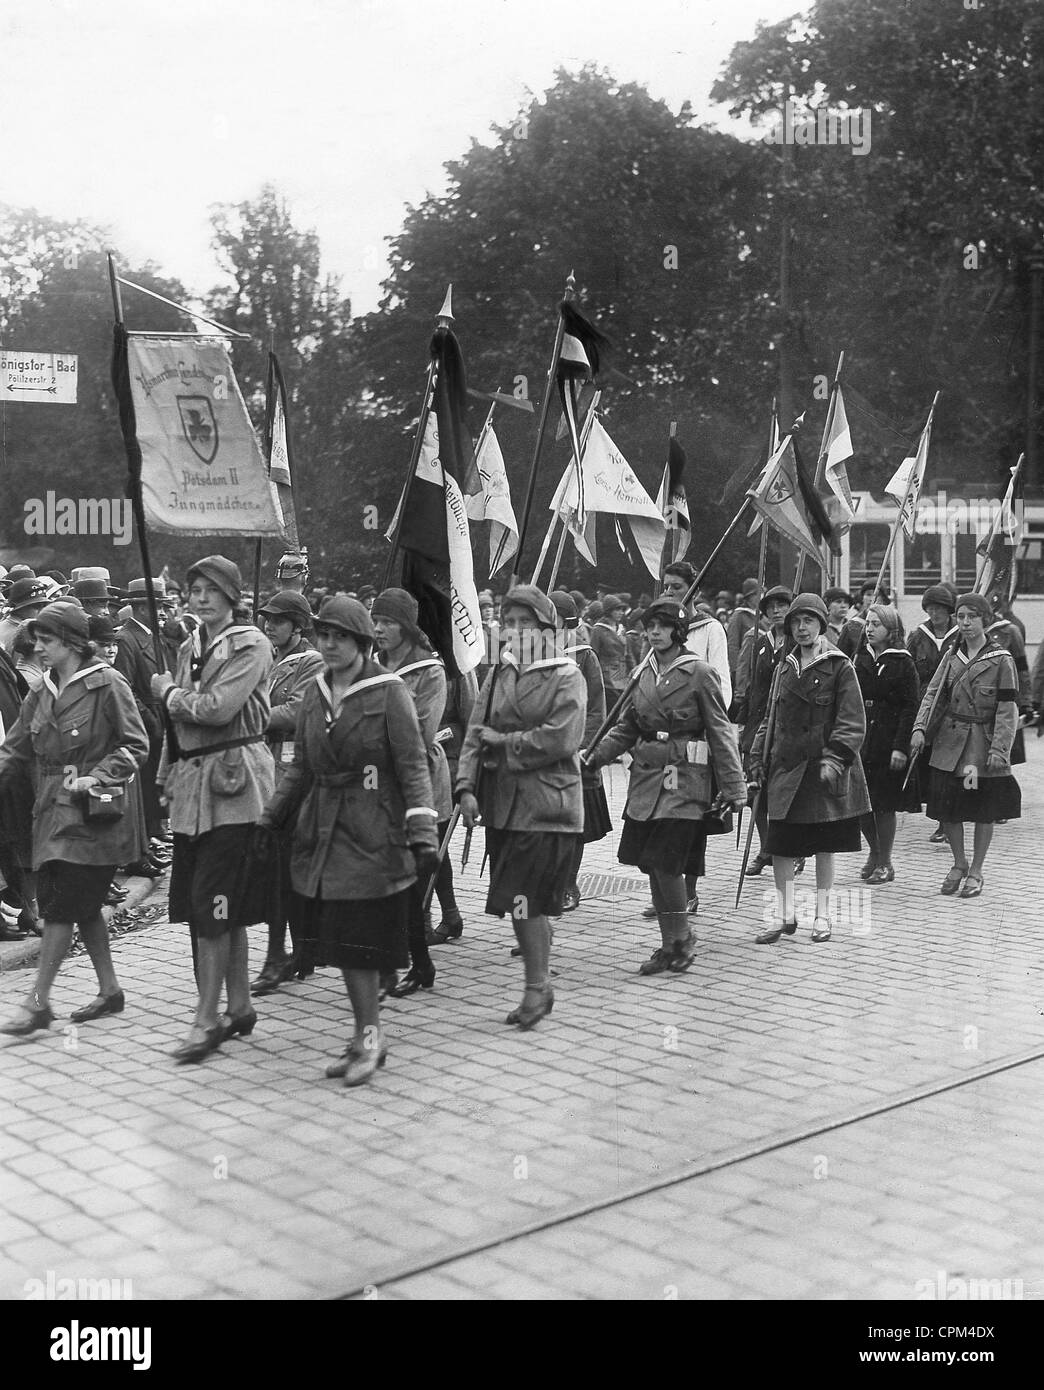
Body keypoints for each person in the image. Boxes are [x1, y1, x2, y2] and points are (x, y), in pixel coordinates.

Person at [256, 597, 438, 1086]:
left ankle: (370, 1042)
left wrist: (422, 828)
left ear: (360, 642)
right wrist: (271, 817)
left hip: (374, 829)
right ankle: (363, 1036)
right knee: (342, 942)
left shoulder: (388, 691)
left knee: (359, 945)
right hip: (323, 831)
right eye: (323, 635)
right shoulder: (315, 692)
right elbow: (303, 765)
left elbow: (413, 764)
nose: (329, 645)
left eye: (340, 636)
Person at [0, 602, 150, 1035]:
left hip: (93, 817)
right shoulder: (41, 690)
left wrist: (99, 776)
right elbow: (14, 750)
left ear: (70, 641)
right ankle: (109, 990)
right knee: (81, 907)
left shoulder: (108, 683)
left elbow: (135, 745)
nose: (39, 648)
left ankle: (37, 1003)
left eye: (47, 640)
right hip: (49, 813)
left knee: (62, 908)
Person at [151, 557, 275, 1064]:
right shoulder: (189, 646)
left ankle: (206, 1020)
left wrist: (170, 693)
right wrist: (163, 777)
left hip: (236, 786)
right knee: (221, 907)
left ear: (232, 595)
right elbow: (177, 727)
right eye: (193, 589)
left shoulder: (251, 645)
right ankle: (239, 1006)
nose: (200, 598)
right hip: (192, 786)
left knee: (212, 907)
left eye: (211, 590)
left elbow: (218, 708)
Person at [586, 597, 745, 974]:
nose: (653, 632)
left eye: (662, 626)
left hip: (684, 780)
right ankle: (669, 941)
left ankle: (681, 939)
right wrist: (594, 755)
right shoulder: (644, 674)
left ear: (678, 630)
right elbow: (628, 727)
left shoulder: (700, 673)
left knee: (667, 863)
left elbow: (720, 731)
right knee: (652, 866)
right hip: (646, 780)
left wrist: (734, 787)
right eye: (649, 626)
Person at [457, 586, 585, 1027]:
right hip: (503, 803)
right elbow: (476, 731)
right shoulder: (499, 673)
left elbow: (562, 737)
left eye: (523, 623)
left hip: (548, 803)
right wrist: (466, 788)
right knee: (519, 900)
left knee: (522, 898)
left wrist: (507, 743)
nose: (513, 631)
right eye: (507, 622)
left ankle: (537, 987)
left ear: (547, 630)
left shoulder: (566, 675)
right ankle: (539, 970)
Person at [749, 593, 871, 945]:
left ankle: (823, 916)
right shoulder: (784, 667)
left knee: (822, 847)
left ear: (821, 624)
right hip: (786, 769)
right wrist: (757, 759)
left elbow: (851, 721)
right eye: (795, 622)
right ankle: (784, 916)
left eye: (808, 621)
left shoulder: (839, 665)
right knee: (781, 845)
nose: (801, 628)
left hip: (822, 770)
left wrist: (835, 760)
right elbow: (770, 720)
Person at [910, 592, 1021, 899]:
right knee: (948, 807)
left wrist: (1000, 750)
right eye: (961, 617)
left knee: (981, 809)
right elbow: (932, 695)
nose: (966, 622)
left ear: (985, 619)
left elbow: (1007, 708)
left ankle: (976, 871)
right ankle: (959, 863)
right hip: (947, 745)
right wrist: (919, 728)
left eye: (972, 616)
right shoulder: (950, 657)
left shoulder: (1001, 660)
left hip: (977, 749)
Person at [371, 588, 450, 996]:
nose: (379, 628)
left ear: (406, 625)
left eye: (387, 621)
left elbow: (420, 731)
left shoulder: (429, 672)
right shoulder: (371, 665)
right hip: (380, 786)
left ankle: (421, 964)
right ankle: (402, 960)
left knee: (414, 882)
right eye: (376, 620)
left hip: (419, 785)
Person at [250, 590, 324, 995]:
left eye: (277, 620)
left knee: (284, 870)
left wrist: (249, 714)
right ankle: (300, 951)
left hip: (297, 775)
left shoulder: (312, 662)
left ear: (298, 625)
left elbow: (298, 712)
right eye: (267, 619)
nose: (269, 625)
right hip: (270, 772)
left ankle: (281, 955)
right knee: (282, 869)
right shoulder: (270, 658)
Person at [853, 604, 921, 883]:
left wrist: (899, 747)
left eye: (876, 624)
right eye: (867, 623)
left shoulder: (902, 662)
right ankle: (874, 851)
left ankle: (885, 861)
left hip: (887, 739)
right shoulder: (860, 659)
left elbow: (909, 707)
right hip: (861, 739)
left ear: (891, 630)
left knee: (883, 805)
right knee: (860, 805)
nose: (869, 629)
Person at [551, 589, 610, 910]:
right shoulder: (531, 651)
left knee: (574, 823)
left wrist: (584, 748)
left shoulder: (584, 656)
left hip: (575, 754)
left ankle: (569, 883)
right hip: (542, 754)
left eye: (556, 618)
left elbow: (597, 709)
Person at [732, 585, 792, 876]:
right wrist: (746, 727)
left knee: (783, 793)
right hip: (758, 726)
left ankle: (790, 850)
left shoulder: (799, 642)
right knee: (756, 792)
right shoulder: (759, 642)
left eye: (783, 605)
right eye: (771, 606)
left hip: (786, 727)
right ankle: (766, 847)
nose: (777, 610)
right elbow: (751, 686)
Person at [425, 664, 479, 943]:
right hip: (404, 764)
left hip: (448, 763)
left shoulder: (456, 663)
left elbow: (473, 720)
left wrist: (469, 777)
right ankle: (446, 915)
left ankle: (443, 915)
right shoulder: (393, 655)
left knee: (434, 840)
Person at [907, 584, 959, 843]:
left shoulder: (960, 635)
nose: (935, 613)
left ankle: (946, 821)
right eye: (930, 608)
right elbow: (909, 671)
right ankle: (939, 816)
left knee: (948, 767)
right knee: (930, 768)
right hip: (926, 709)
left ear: (949, 609)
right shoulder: (918, 636)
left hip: (953, 713)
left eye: (940, 608)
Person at [589, 594, 630, 698]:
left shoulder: (621, 629)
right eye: (617, 609)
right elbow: (593, 657)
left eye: (622, 609)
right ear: (609, 611)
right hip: (607, 680)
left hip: (622, 676)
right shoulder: (598, 630)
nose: (621, 613)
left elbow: (628, 654)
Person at [726, 578, 760, 678]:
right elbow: (732, 645)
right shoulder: (738, 616)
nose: (760, 597)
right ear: (749, 597)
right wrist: (736, 671)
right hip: (744, 667)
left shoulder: (763, 615)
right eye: (756, 594)